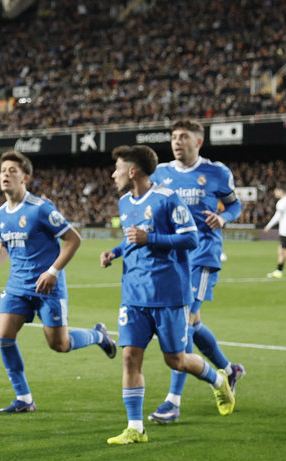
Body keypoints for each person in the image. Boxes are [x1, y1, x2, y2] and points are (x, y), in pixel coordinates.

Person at [100, 145, 236, 445]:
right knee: (130, 357)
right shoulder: (124, 203)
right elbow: (132, 239)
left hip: (168, 294)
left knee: (176, 360)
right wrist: (115, 252)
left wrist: (150, 238)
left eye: (117, 169)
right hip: (134, 293)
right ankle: (135, 428)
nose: (113, 175)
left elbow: (191, 238)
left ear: (133, 171)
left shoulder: (167, 199)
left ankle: (218, 379)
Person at [0, 151, 117, 414]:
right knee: (4, 337)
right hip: (17, 286)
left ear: (25, 177)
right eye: (3, 171)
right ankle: (24, 399)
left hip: (47, 287)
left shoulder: (40, 208)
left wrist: (53, 271)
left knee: (59, 345)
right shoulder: (1, 213)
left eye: (12, 171)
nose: (5, 175)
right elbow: (5, 244)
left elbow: (73, 239)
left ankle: (99, 335)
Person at [146, 120, 246, 425]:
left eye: (184, 137)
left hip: (202, 257)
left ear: (198, 142)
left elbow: (235, 205)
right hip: (172, 259)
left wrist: (224, 218)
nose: (177, 142)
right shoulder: (160, 173)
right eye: (174, 137)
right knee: (195, 322)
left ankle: (173, 402)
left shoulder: (217, 172)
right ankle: (229, 370)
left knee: (184, 325)